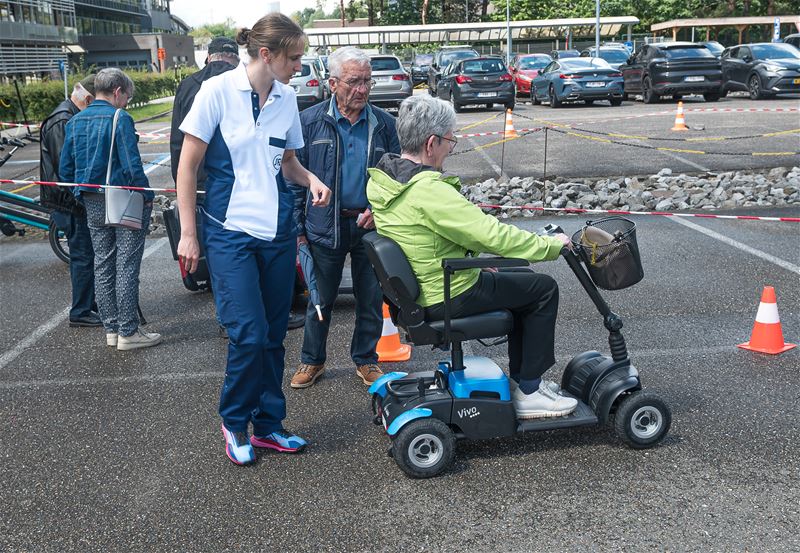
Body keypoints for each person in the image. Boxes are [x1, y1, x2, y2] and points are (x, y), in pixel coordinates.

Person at [175, 13, 332, 466]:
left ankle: (267, 426)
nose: (300, 66)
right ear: (267, 54)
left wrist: (311, 179)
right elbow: (187, 167)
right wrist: (189, 234)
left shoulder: (286, 98)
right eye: (294, 58)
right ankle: (234, 421)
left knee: (273, 336)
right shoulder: (217, 92)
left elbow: (288, 163)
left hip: (276, 232)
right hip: (229, 233)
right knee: (248, 334)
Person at [366, 95, 578, 419]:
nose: (451, 148)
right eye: (450, 140)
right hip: (446, 292)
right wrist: (550, 245)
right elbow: (492, 235)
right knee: (543, 289)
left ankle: (525, 381)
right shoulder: (428, 191)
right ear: (432, 143)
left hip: (425, 286)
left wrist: (475, 258)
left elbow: (426, 237)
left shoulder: (385, 181)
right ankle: (530, 391)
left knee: (522, 279)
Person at [288, 46, 400, 390]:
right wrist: (298, 229)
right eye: (354, 81)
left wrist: (379, 210)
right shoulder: (309, 122)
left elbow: (398, 177)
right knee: (320, 300)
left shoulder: (384, 124)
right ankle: (312, 360)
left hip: (370, 226)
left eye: (367, 81)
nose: (362, 89)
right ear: (333, 83)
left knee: (371, 299)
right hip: (324, 225)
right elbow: (293, 179)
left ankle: (366, 359)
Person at [60, 68, 162, 351]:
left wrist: (80, 194)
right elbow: (132, 166)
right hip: (122, 198)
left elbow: (65, 169)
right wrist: (147, 196)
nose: (126, 102)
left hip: (90, 199)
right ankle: (129, 331)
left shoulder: (76, 120)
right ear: (118, 91)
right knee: (127, 265)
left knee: (103, 264)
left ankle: (112, 329)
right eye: (127, 97)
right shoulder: (120, 118)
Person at [39, 75, 100, 328]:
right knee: (83, 255)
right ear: (88, 99)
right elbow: (66, 166)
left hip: (70, 199)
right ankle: (81, 311)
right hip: (67, 201)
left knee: (87, 254)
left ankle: (90, 304)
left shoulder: (68, 115)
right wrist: (80, 198)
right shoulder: (63, 120)